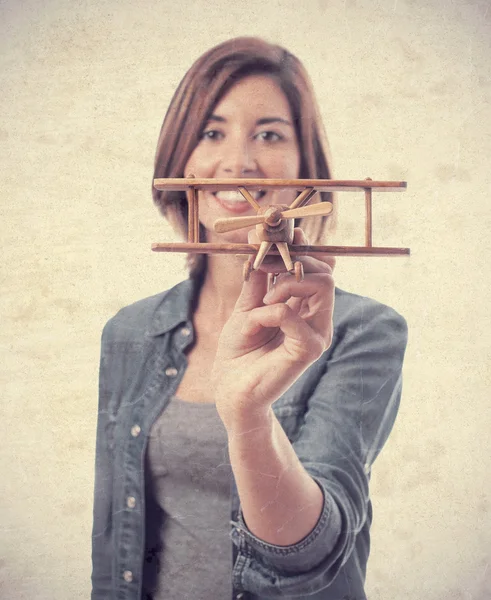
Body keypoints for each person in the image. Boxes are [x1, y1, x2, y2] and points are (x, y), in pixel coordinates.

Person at [90, 37, 408, 600]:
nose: (236, 161)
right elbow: (113, 536)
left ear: (306, 166)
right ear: (181, 158)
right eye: (212, 133)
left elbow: (314, 555)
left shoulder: (361, 332)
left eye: (269, 134)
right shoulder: (130, 333)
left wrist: (249, 415)